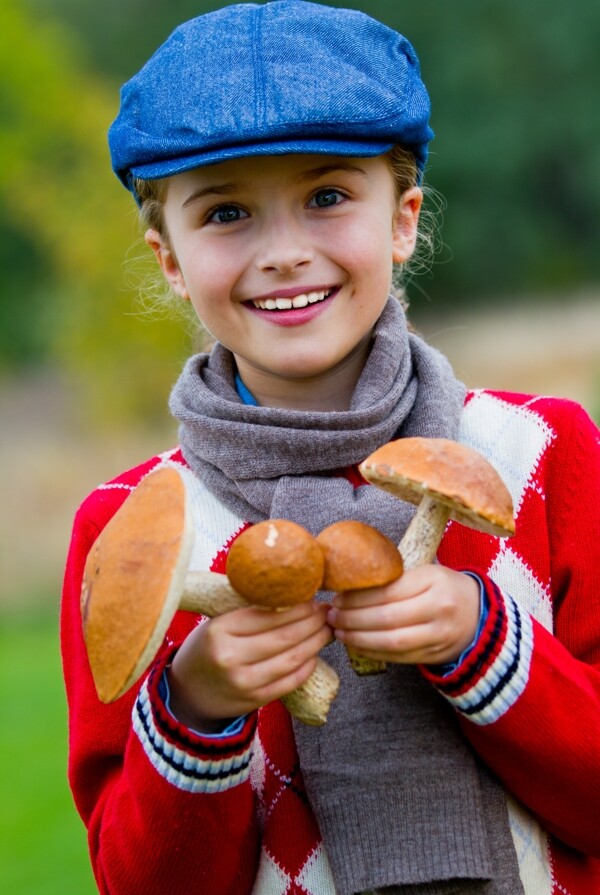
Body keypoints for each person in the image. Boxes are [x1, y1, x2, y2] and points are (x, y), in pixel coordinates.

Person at [60, 3, 600, 894]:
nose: (283, 252)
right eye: (227, 211)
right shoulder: (132, 531)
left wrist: (485, 640)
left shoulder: (543, 453)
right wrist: (192, 705)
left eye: (327, 197)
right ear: (169, 259)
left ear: (403, 218)